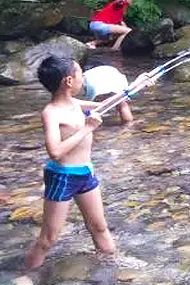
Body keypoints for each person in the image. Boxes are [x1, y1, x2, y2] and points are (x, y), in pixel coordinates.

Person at [24, 56, 115, 269]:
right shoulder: (51, 113)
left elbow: (108, 104)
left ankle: (112, 270)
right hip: (63, 176)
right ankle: (26, 275)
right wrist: (87, 128)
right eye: (80, 73)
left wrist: (140, 83)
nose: (83, 78)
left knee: (99, 227)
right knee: (48, 239)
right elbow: (55, 152)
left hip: (86, 174)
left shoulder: (75, 104)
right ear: (69, 81)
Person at [81, 65, 156, 124]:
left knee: (120, 103)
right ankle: (127, 127)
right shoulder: (91, 87)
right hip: (102, 76)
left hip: (97, 78)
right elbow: (103, 105)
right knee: (121, 103)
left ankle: (127, 126)